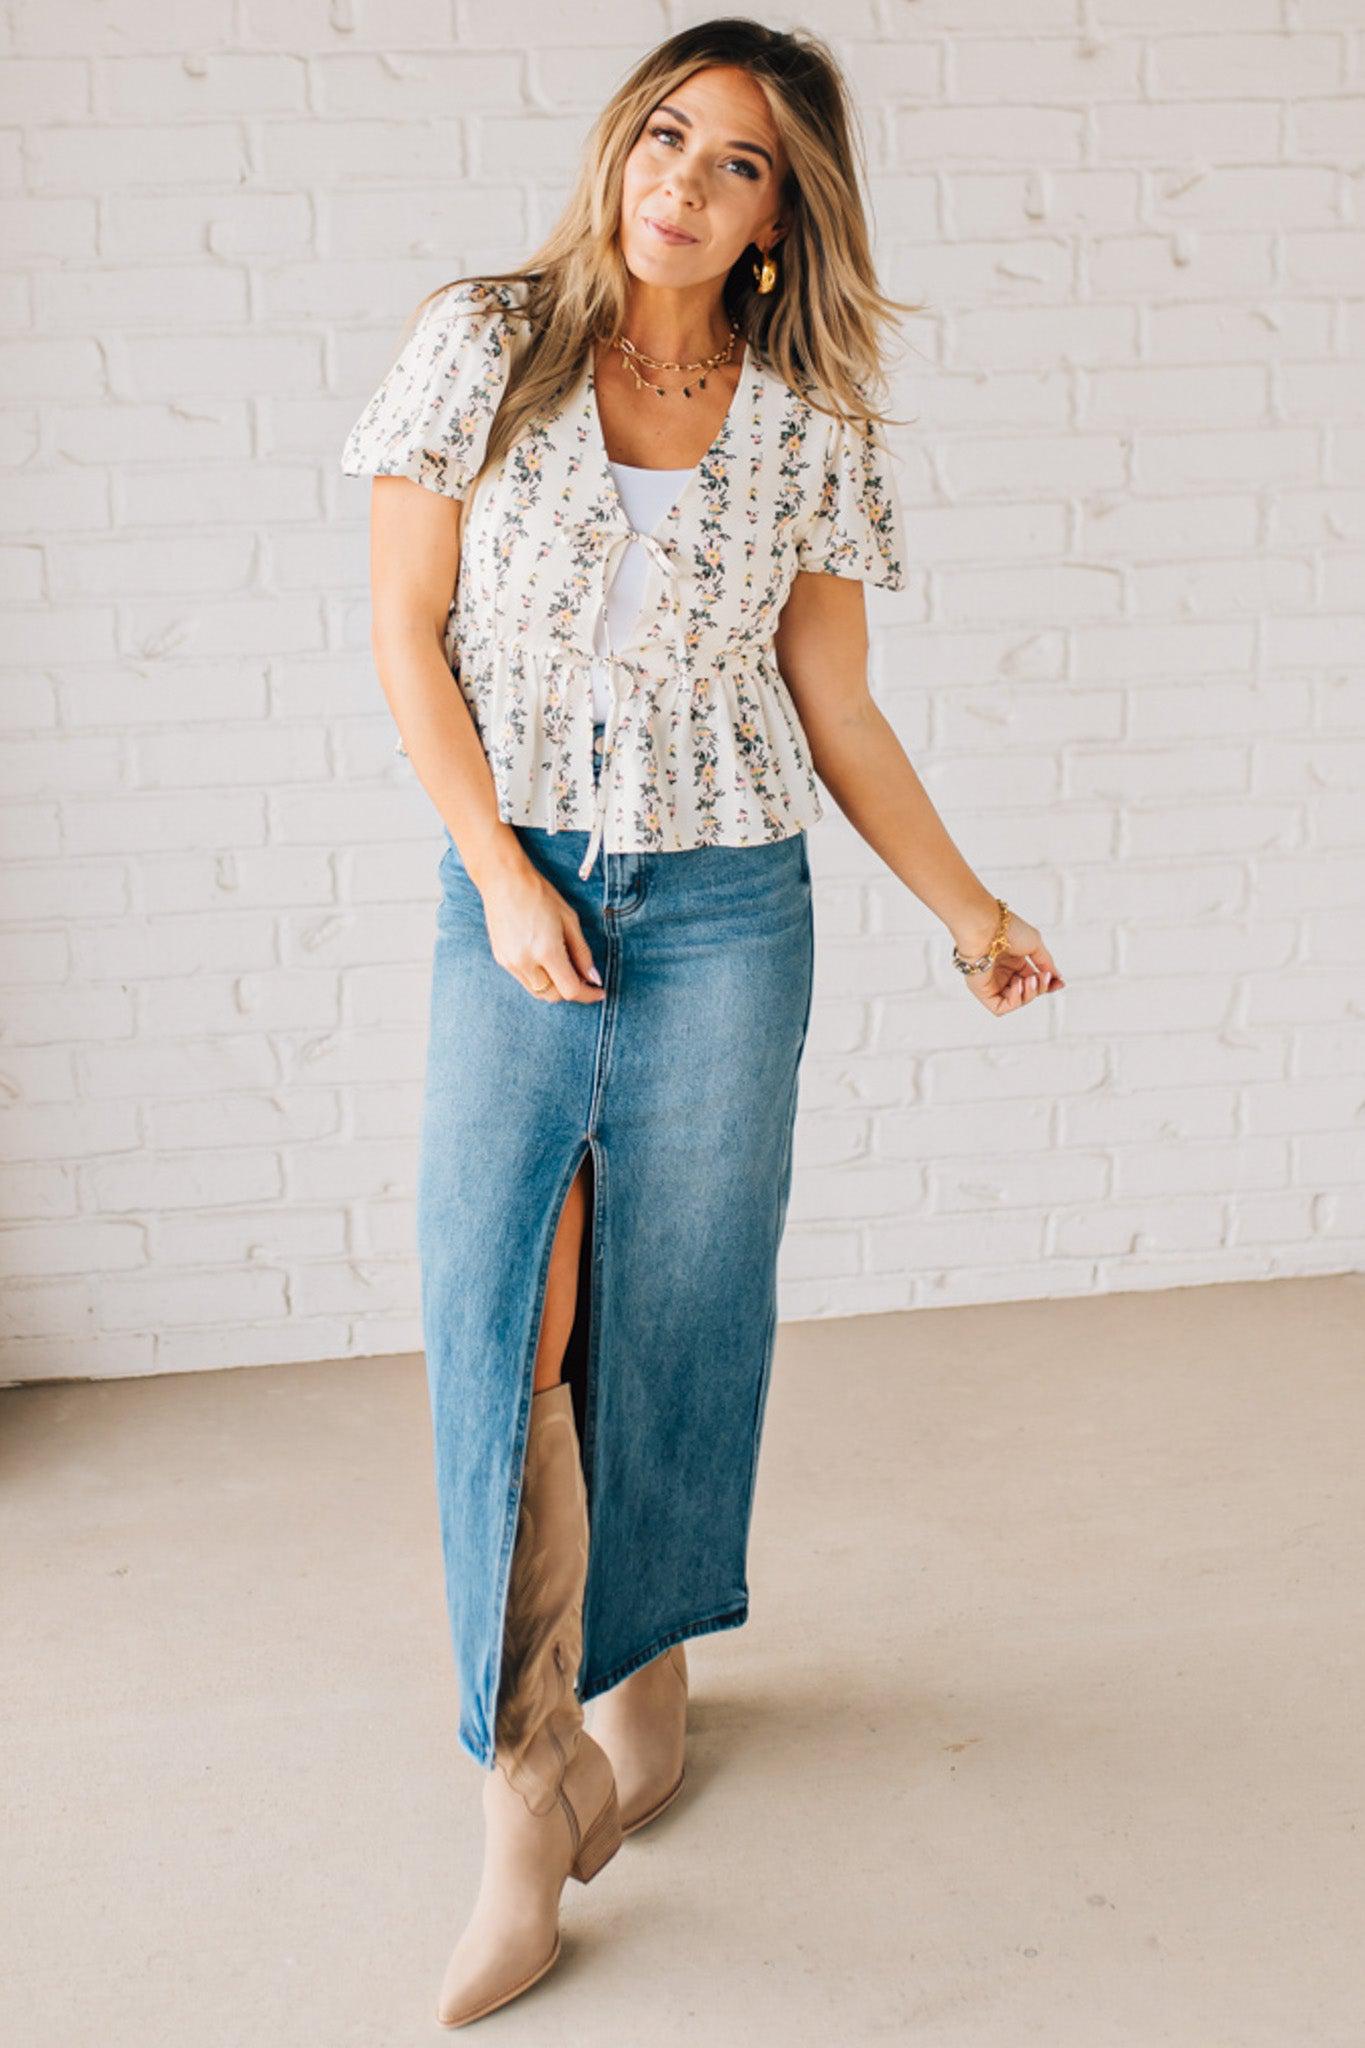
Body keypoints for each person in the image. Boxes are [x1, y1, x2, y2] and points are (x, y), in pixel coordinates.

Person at [339, 20, 1063, 2030]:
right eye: (665, 134)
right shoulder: (481, 341)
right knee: (512, 1315)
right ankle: (520, 1774)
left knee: (677, 1312)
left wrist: (966, 909)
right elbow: (402, 624)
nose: (681, 179)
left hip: (734, 904)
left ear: (775, 220)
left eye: (735, 164)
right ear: (617, 146)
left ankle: (647, 1673)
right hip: (529, 890)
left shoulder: (808, 413)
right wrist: (497, 876)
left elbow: (833, 706)